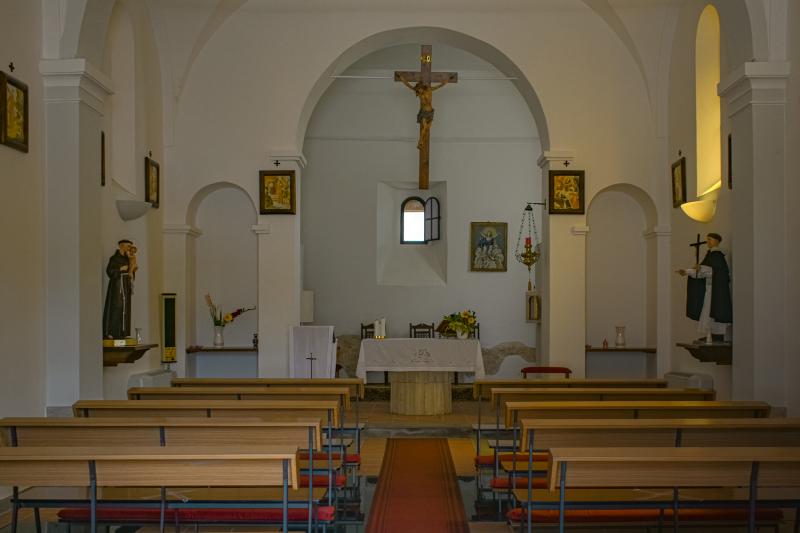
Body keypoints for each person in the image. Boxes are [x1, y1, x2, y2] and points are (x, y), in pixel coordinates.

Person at [677, 232, 732, 341]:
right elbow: (701, 273)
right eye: (707, 240)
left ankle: (717, 334)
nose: (708, 242)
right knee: (707, 310)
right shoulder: (710, 255)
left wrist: (700, 268)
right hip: (709, 288)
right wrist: (687, 272)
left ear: (717, 241)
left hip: (717, 290)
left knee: (715, 310)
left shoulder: (717, 255)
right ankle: (709, 333)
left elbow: (715, 271)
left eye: (710, 240)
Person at [397, 74, 450, 150]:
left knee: (427, 129)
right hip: (424, 112)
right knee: (425, 127)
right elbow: (408, 85)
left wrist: (447, 80)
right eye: (417, 91)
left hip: (430, 112)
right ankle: (420, 142)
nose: (418, 92)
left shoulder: (429, 90)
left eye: (419, 90)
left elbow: (440, 86)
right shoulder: (418, 92)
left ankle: (422, 142)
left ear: (421, 87)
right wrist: (402, 78)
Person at [102, 239, 138, 339]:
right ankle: (113, 332)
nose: (129, 249)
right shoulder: (114, 259)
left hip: (125, 286)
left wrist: (132, 269)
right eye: (128, 246)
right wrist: (120, 269)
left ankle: (123, 333)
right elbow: (110, 271)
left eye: (130, 247)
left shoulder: (128, 259)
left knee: (125, 308)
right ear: (122, 246)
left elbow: (131, 274)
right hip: (117, 287)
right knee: (116, 307)